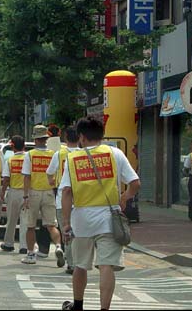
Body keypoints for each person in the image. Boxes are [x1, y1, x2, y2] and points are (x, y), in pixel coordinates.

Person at [60, 116, 140, 311]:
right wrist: (124, 197)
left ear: (81, 136)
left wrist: (66, 223)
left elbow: (66, 192)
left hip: (82, 221)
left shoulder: (72, 158)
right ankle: (104, 308)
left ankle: (77, 305)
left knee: (80, 265)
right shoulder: (115, 154)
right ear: (101, 134)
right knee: (106, 265)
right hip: (109, 220)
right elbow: (135, 183)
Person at [21, 125, 64, 266]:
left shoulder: (30, 155)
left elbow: (27, 176)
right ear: (46, 138)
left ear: (35, 139)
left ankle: (31, 254)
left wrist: (25, 196)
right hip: (49, 192)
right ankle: (58, 246)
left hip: (33, 192)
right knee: (51, 225)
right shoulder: (53, 154)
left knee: (31, 226)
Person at [47, 126, 80, 274]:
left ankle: (71, 263)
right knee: (80, 232)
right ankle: (81, 261)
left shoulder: (59, 154)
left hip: (62, 199)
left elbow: (49, 174)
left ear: (65, 138)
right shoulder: (83, 154)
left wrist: (54, 183)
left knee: (66, 231)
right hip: (82, 200)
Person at [0, 135, 28, 254]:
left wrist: (2, 192)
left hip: (14, 192)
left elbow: (6, 179)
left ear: (12, 147)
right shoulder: (29, 158)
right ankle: (24, 246)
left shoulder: (10, 160)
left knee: (11, 219)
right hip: (27, 192)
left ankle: (9, 244)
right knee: (25, 220)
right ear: (24, 146)